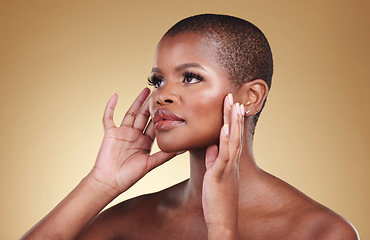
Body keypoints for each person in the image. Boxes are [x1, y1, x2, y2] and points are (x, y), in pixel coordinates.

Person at [21, 14, 359, 240]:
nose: (162, 95)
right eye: (157, 80)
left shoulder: (319, 231)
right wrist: (99, 184)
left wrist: (223, 228)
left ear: (251, 96)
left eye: (191, 77)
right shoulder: (128, 223)